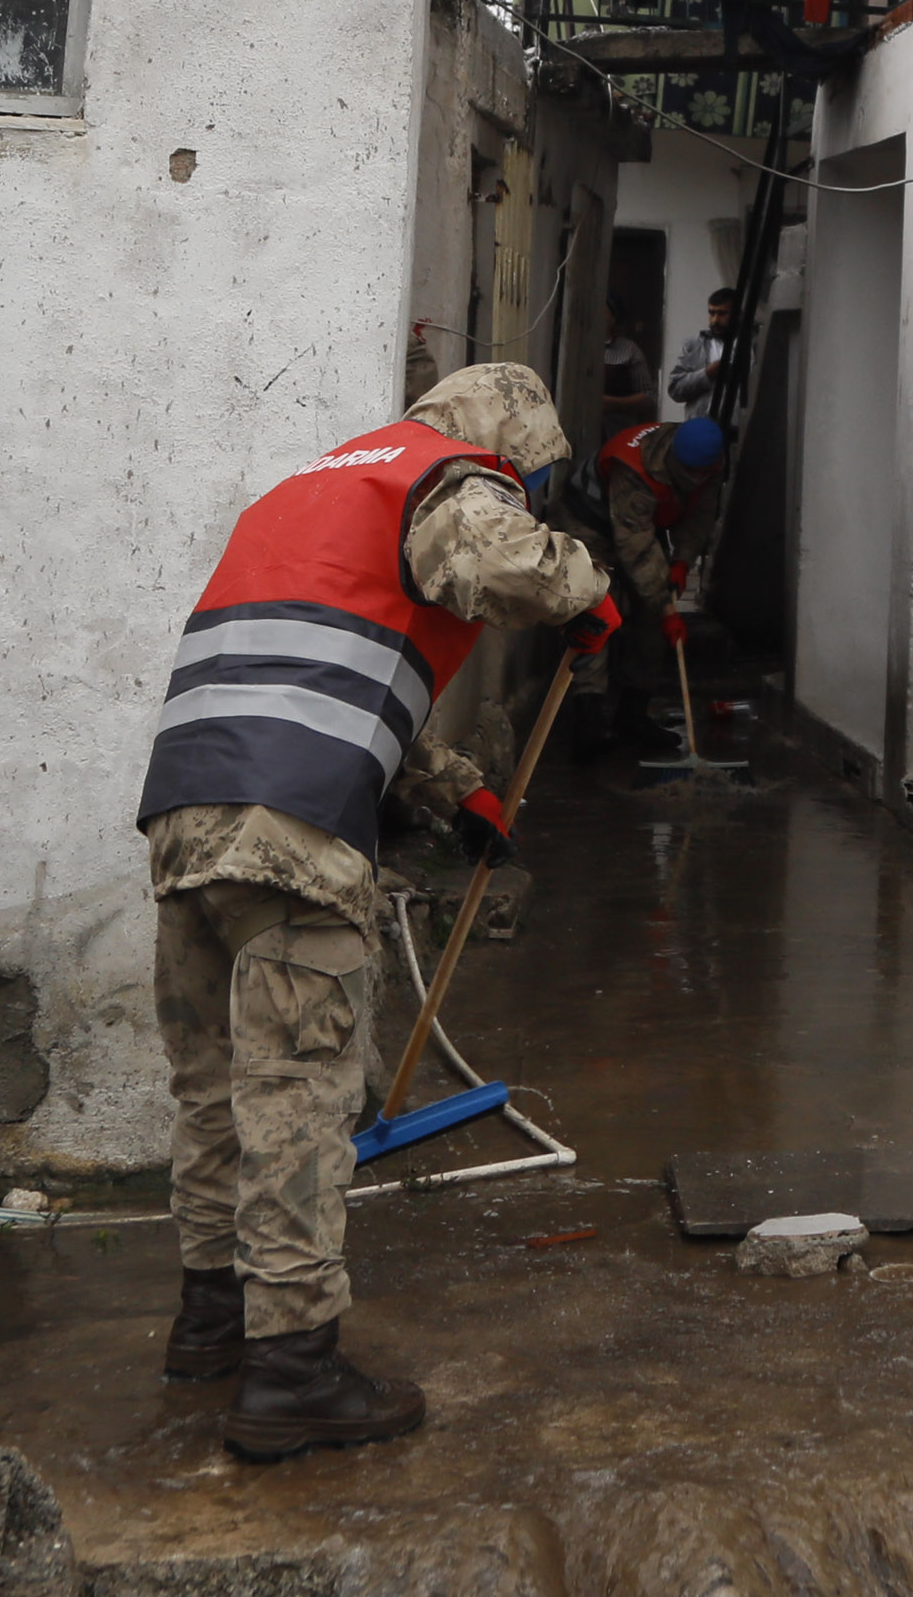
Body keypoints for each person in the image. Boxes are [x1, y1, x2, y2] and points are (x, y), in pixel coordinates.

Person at [135, 360, 612, 1459]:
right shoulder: (447, 480)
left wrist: (449, 789)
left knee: (212, 1088)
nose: (518, 497)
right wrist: (589, 593)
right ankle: (294, 1369)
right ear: (505, 443)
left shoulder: (310, 488)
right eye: (525, 481)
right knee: (297, 1098)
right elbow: (510, 568)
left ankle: (210, 1319)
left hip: (188, 812)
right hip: (295, 832)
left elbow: (308, 679)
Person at [586, 412, 727, 738]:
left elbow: (701, 515)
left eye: (704, 473)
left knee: (652, 610)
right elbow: (635, 547)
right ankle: (587, 717)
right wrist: (668, 611)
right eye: (691, 473)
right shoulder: (635, 467)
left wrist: (681, 562)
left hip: (640, 528)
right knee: (594, 609)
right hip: (589, 525)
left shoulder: (710, 464)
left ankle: (632, 715)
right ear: (676, 460)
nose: (698, 478)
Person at [666, 287, 740, 416]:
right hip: (702, 428)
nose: (715, 320)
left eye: (722, 314)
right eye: (712, 313)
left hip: (741, 429)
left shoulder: (753, 344)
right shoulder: (694, 345)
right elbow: (675, 390)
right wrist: (707, 373)